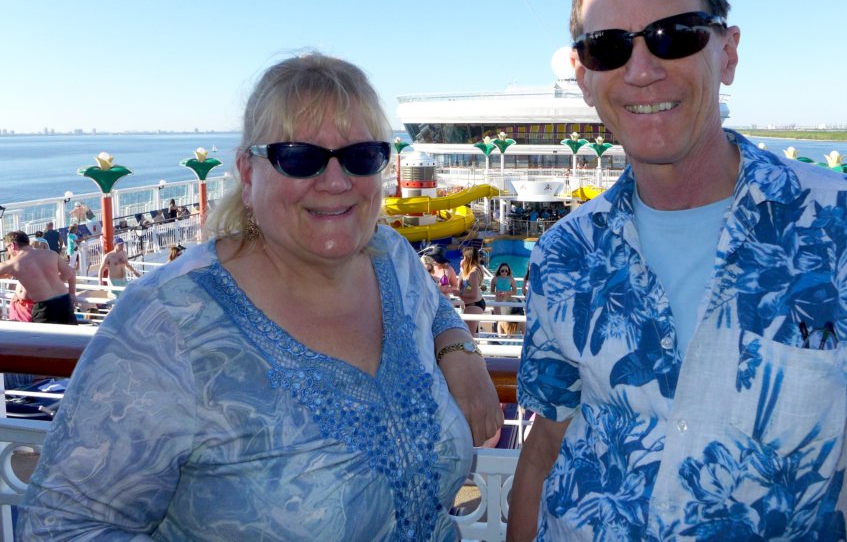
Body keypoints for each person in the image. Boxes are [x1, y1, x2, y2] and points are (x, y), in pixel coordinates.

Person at [507, 0, 847, 541]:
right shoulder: (565, 251)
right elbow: (546, 446)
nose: (641, 70)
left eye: (674, 36)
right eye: (607, 47)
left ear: (726, 53)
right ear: (584, 75)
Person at [17, 53, 502, 540]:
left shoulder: (391, 256)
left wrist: (458, 349)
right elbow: (61, 525)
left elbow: (433, 310)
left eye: (361, 156)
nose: (336, 182)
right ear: (248, 175)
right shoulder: (168, 322)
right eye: (299, 157)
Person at [0, 231, 78, 325]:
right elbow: (69, 273)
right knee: (70, 332)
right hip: (65, 300)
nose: (8, 251)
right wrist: (72, 293)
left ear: (13, 245)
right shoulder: (51, 254)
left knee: (44, 334)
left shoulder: (13, 263)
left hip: (44, 306)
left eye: (7, 248)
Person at [458, 245, 485, 336]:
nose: (462, 260)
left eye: (464, 257)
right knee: (471, 334)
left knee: (469, 335)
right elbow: (467, 286)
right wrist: (462, 270)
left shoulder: (473, 273)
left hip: (474, 304)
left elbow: (473, 294)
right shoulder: (475, 269)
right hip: (474, 303)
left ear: (468, 258)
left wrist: (459, 293)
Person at [490, 262, 520, 335]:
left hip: (507, 303)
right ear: (499, 271)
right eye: (502, 271)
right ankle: (498, 336)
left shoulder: (511, 279)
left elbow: (515, 292)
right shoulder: (494, 279)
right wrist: (496, 293)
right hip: (498, 303)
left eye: (506, 271)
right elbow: (491, 291)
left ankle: (507, 336)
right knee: (498, 320)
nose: (504, 272)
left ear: (508, 271)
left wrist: (507, 293)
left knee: (507, 321)